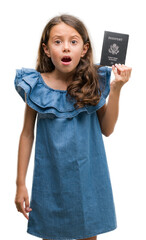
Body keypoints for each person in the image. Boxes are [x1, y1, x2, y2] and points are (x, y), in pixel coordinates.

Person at [14, 14, 132, 240]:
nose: (66, 48)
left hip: (89, 183)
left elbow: (106, 129)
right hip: (50, 185)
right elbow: (27, 134)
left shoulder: (93, 82)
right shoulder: (36, 85)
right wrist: (20, 184)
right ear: (47, 49)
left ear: (84, 49)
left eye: (73, 41)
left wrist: (116, 89)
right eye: (57, 41)